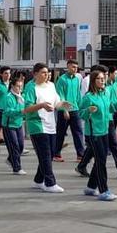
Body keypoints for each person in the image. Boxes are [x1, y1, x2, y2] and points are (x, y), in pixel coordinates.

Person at [23, 63, 71, 193]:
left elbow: (57, 103)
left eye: (47, 72)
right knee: (45, 154)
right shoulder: (30, 87)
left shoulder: (51, 85)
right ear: (35, 74)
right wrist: (41, 105)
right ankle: (50, 183)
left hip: (50, 125)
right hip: (37, 125)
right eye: (43, 72)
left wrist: (64, 106)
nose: (46, 75)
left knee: (49, 155)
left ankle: (38, 180)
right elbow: (26, 108)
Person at [81, 69, 117, 201]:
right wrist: (88, 110)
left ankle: (91, 187)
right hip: (93, 133)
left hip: (104, 131)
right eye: (99, 78)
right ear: (93, 81)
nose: (102, 80)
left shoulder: (105, 94)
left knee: (100, 159)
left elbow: (110, 108)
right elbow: (81, 114)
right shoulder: (88, 97)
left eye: (103, 78)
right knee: (101, 161)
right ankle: (104, 190)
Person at [54, 60, 85, 163]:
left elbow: (78, 95)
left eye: (76, 67)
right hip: (64, 110)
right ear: (68, 67)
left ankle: (80, 155)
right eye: (73, 67)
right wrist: (64, 109)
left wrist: (81, 108)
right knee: (61, 132)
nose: (75, 69)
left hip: (75, 109)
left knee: (78, 132)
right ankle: (56, 154)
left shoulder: (77, 79)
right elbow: (60, 96)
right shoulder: (62, 80)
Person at [0, 76, 27, 175]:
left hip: (18, 123)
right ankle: (17, 168)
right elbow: (8, 111)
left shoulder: (21, 96)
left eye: (21, 86)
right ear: (12, 86)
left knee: (21, 146)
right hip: (9, 125)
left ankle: (11, 159)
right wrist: (21, 111)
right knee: (14, 146)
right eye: (18, 86)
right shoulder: (8, 97)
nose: (20, 88)